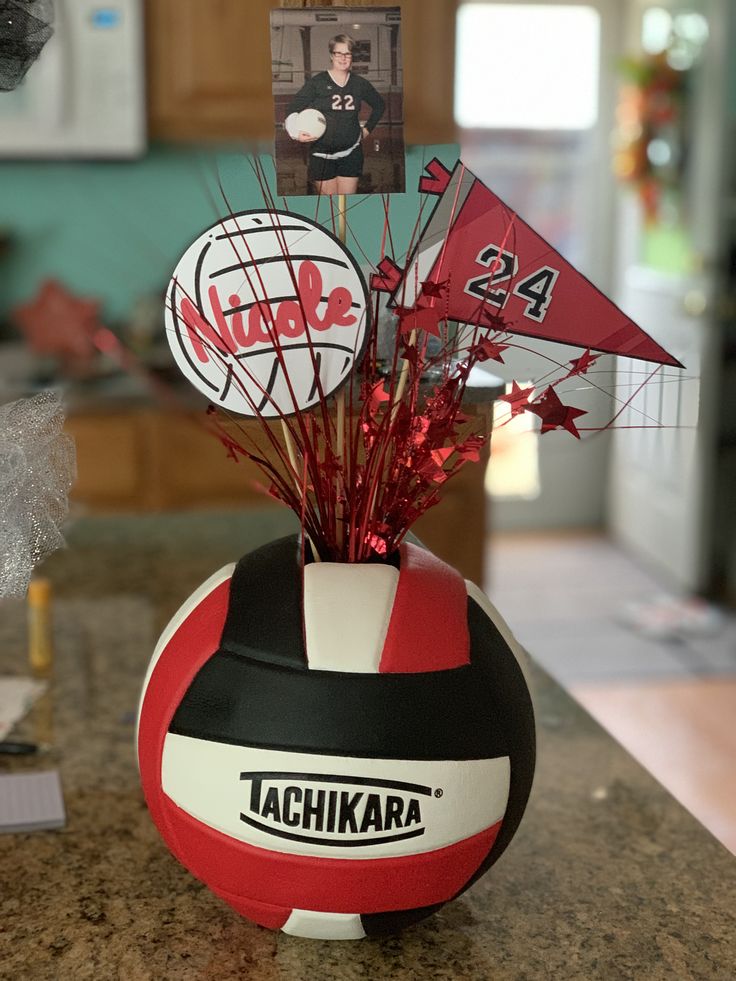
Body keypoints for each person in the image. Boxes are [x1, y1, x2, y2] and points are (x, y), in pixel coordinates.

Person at [285, 34, 385, 196]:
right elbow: (292, 108)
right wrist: (296, 133)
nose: (343, 58)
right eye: (339, 53)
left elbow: (379, 105)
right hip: (321, 155)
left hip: (351, 153)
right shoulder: (317, 82)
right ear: (332, 55)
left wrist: (367, 130)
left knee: (347, 205)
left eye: (348, 54)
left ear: (352, 57)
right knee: (330, 207)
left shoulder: (359, 83)